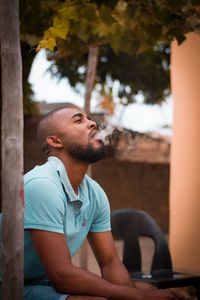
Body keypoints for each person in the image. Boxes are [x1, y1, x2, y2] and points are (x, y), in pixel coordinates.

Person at [23, 104, 184, 300]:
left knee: (149, 291)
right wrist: (136, 297)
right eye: (78, 120)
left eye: (90, 119)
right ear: (55, 140)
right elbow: (62, 275)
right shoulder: (43, 185)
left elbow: (110, 264)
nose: (92, 123)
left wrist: (139, 294)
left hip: (47, 284)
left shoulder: (94, 193)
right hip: (13, 284)